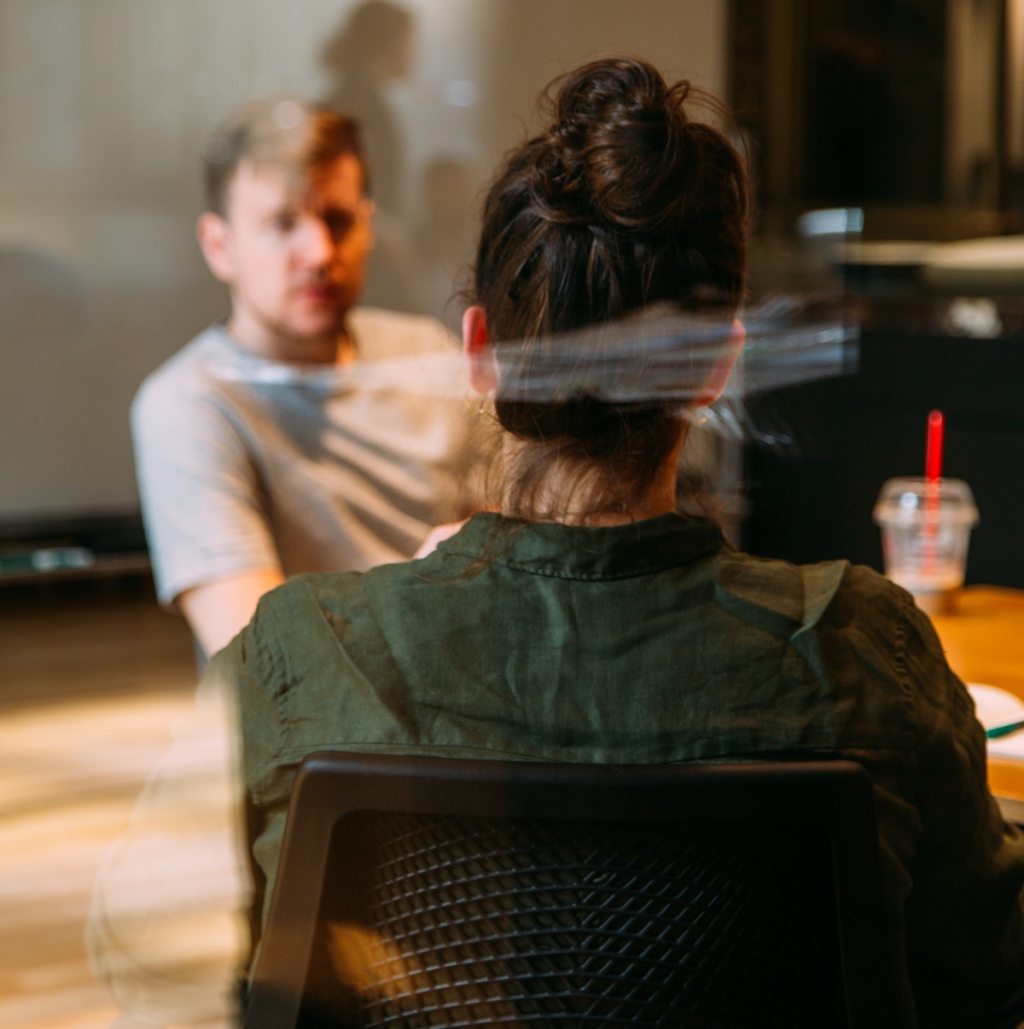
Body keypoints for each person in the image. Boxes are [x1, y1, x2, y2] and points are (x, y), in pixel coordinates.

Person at [213, 57, 1024, 1022]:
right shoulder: (864, 651)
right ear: (717, 365)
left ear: (480, 351)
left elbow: (270, 980)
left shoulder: (298, 655)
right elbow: (981, 974)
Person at [131, 97, 479, 658]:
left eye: (337, 220)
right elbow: (259, 656)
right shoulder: (189, 403)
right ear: (219, 246)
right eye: (282, 223)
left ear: (368, 228)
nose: (318, 252)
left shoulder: (428, 353)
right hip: (317, 740)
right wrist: (426, 586)